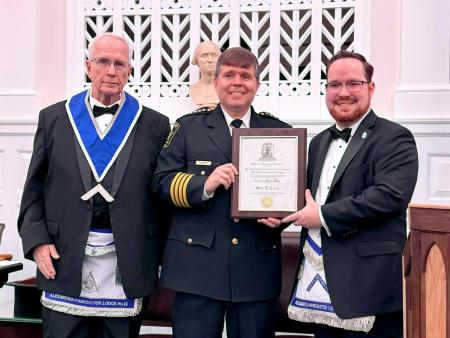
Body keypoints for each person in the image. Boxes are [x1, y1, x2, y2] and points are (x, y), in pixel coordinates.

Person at [17, 33, 170, 338]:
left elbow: (162, 195)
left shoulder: (156, 124)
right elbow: (34, 189)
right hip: (63, 258)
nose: (111, 71)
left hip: (127, 262)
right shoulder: (54, 118)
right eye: (103, 62)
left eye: (119, 64)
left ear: (129, 72)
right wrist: (37, 241)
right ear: (88, 67)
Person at [278, 50, 418, 337]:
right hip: (320, 287)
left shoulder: (394, 137)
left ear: (371, 88)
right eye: (334, 85)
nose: (343, 93)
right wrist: (279, 215)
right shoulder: (318, 142)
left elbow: (389, 197)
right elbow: (305, 198)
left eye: (353, 83)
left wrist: (321, 216)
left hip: (369, 287)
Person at [152, 47, 291, 338]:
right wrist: (203, 184)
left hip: (256, 266)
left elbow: (292, 194)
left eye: (246, 76)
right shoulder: (188, 128)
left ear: (257, 84)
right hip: (197, 266)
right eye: (229, 75)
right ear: (216, 82)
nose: (237, 82)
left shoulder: (280, 133)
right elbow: (161, 184)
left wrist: (283, 217)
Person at [189, 41, 221, 110]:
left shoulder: (225, 89)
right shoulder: (192, 89)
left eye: (214, 55)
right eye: (204, 55)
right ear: (196, 60)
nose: (210, 60)